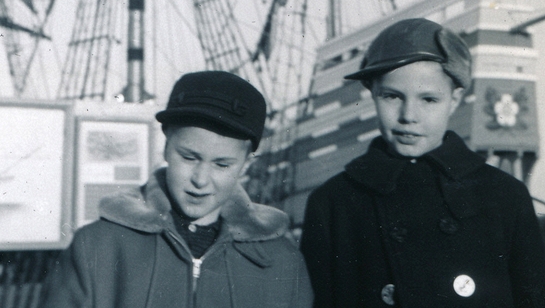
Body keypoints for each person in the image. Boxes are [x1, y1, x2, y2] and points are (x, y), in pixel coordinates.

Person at [300, 17, 545, 308]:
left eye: (429, 100)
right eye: (392, 96)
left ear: (454, 100)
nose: (408, 116)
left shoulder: (504, 196)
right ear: (373, 94)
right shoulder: (333, 203)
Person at [42, 70, 313, 308]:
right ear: (166, 146)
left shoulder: (283, 261)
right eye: (189, 157)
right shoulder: (98, 247)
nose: (201, 179)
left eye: (222, 164)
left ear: (245, 165)